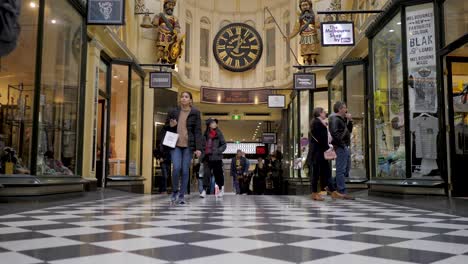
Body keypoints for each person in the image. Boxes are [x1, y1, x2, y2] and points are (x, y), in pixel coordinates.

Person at [163, 91, 202, 204]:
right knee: (176, 168)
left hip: (188, 146)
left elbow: (197, 131)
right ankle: (175, 191)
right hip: (175, 144)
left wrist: (198, 148)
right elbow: (165, 127)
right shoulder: (173, 111)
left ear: (190, 100)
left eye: (186, 97)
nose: (184, 98)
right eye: (182, 97)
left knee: (185, 170)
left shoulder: (195, 112)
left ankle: (181, 195)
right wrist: (171, 126)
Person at [307, 107, 343, 201]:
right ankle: (314, 193)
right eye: (324, 112)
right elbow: (321, 139)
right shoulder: (317, 123)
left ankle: (332, 191)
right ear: (319, 113)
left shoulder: (318, 123)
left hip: (319, 153)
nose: (325, 114)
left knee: (326, 172)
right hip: (317, 153)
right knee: (316, 173)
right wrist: (329, 148)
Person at [329, 101, 355, 200]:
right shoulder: (334, 119)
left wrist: (350, 121)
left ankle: (330, 185)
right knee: (341, 170)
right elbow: (334, 134)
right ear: (340, 109)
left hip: (344, 146)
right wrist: (342, 145)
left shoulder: (341, 119)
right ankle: (341, 191)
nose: (346, 109)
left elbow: (349, 131)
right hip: (341, 147)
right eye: (344, 108)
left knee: (346, 169)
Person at [285, 0, 320, 65]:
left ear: (310, 6)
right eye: (303, 5)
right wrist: (289, 37)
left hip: (313, 35)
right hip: (304, 36)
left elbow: (318, 25)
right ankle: (306, 61)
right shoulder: (299, 19)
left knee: (313, 48)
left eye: (306, 5)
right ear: (300, 7)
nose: (304, 7)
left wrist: (319, 23)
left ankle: (313, 60)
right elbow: (296, 30)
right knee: (304, 48)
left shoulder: (314, 17)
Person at [200, 118, 227, 198]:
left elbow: (224, 145)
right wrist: (202, 154)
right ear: (209, 125)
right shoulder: (205, 134)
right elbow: (202, 145)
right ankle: (204, 190)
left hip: (217, 158)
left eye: (215, 123)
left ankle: (221, 189)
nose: (215, 124)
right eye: (213, 123)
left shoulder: (219, 133)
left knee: (218, 174)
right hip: (207, 157)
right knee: (206, 174)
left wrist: (218, 151)